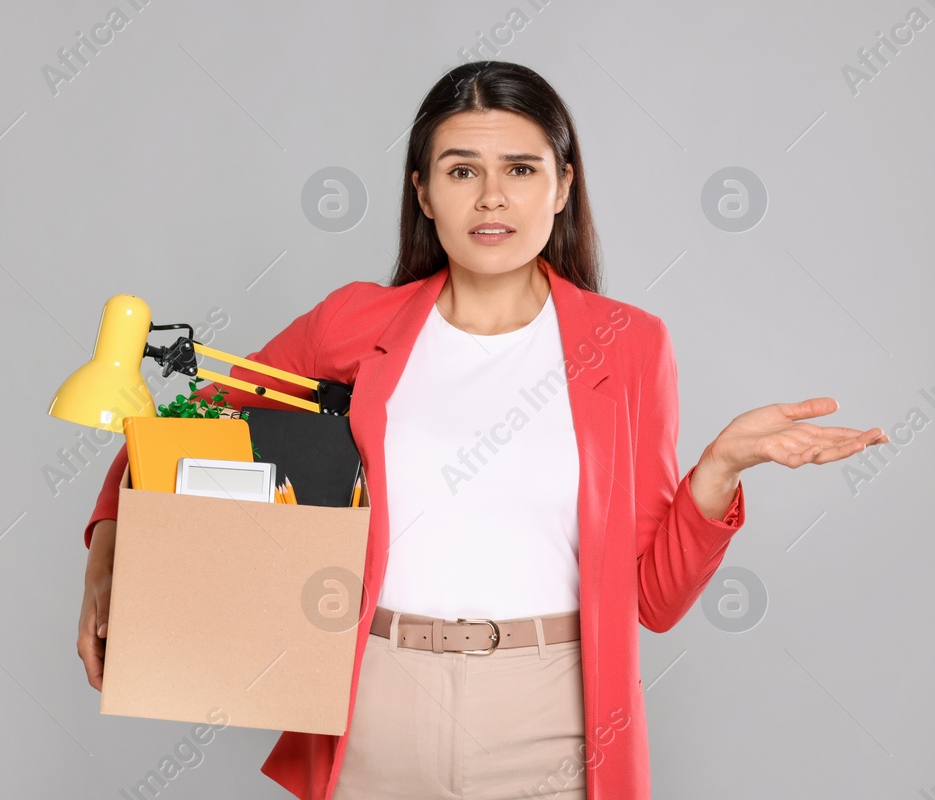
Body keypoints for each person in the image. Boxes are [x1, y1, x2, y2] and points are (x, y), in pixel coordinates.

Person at [75, 60, 888, 800]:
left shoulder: (630, 345)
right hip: (372, 702)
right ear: (425, 193)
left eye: (521, 170)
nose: (491, 197)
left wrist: (719, 468)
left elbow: (652, 599)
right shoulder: (353, 324)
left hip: (551, 714)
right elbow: (187, 423)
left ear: (563, 186)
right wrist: (109, 554)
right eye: (462, 171)